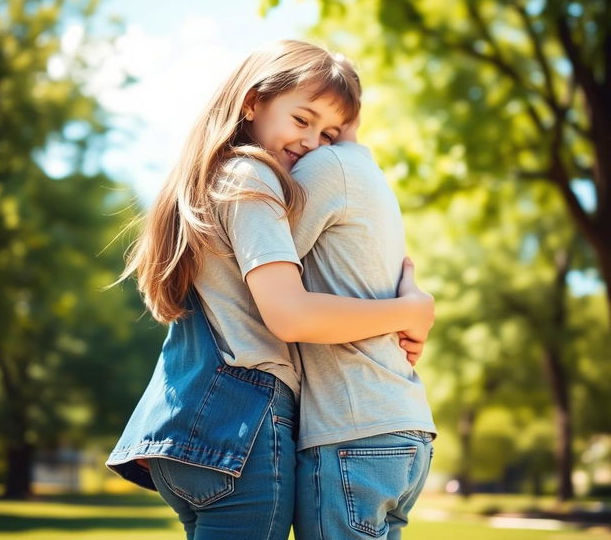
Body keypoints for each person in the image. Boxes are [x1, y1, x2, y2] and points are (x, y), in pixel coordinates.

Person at [105, 40, 434, 540]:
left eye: (328, 133)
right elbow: (290, 315)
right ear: (253, 101)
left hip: (188, 413)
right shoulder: (252, 176)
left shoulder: (212, 180)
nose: (313, 143)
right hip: (245, 419)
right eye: (301, 120)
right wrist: (408, 309)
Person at [287, 117, 437, 540]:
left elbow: (266, 262)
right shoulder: (372, 177)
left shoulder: (324, 167)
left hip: (352, 430)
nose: (307, 139)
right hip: (404, 427)